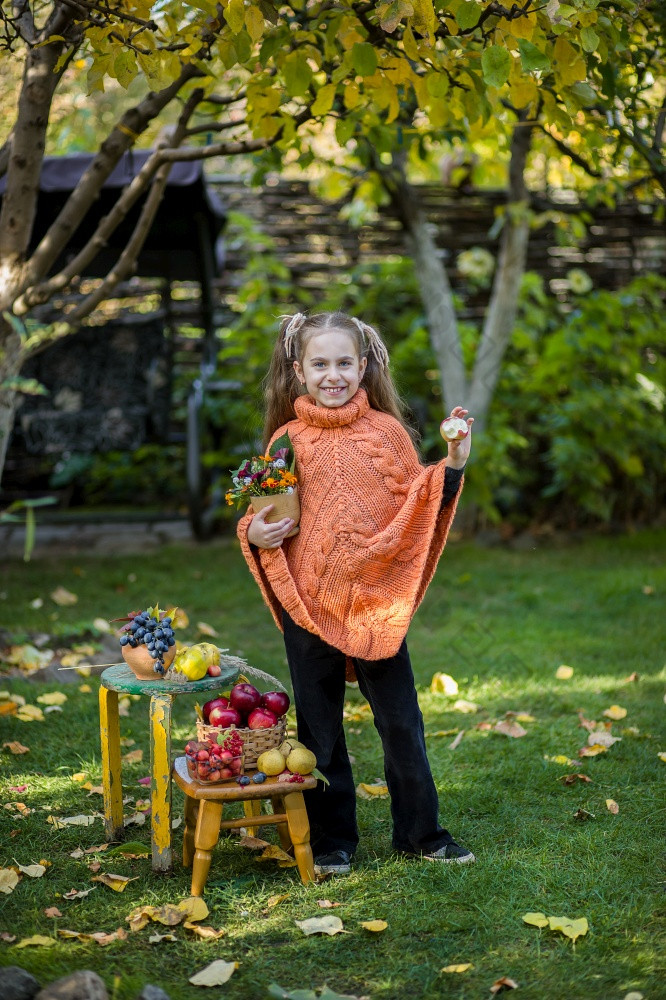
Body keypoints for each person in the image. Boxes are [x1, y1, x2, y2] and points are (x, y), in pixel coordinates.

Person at [236, 311, 475, 875]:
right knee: (320, 730)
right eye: (320, 364)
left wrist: (455, 459)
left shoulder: (387, 434)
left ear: (364, 366)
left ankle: (421, 833)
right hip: (310, 602)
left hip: (374, 602)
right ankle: (332, 841)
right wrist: (255, 532)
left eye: (345, 362)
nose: (333, 374)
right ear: (298, 371)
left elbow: (420, 499)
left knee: (400, 721)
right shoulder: (285, 443)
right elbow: (263, 516)